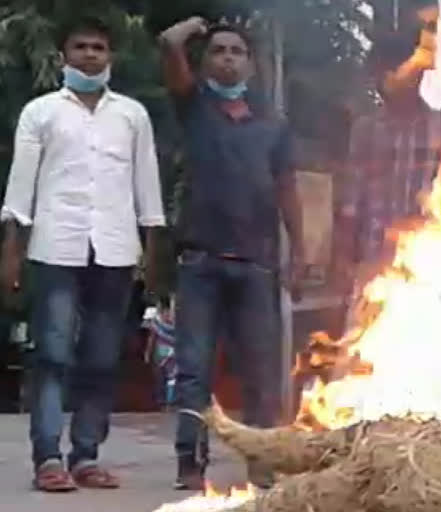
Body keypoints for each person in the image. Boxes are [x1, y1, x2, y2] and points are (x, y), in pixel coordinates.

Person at [0, 16, 165, 492]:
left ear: (110, 57)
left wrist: (153, 251)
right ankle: (48, 458)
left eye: (98, 47)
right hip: (55, 247)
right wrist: (11, 248)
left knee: (102, 357)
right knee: (51, 354)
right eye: (81, 46)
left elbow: (146, 186)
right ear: (64, 56)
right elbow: (20, 186)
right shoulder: (41, 112)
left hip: (114, 250)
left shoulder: (131, 115)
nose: (90, 55)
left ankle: (87, 456)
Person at [159, 16, 306, 490]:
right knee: (194, 369)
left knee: (261, 371)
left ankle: (260, 460)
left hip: (257, 263)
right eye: (218, 51)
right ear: (205, 63)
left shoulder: (273, 124)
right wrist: (190, 29)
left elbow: (288, 190)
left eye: (236, 52)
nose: (227, 58)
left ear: (251, 65)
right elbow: (168, 44)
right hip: (200, 261)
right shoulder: (194, 107)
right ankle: (190, 460)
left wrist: (300, 250)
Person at [334, 1, 441, 316]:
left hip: (426, 262)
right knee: (362, 349)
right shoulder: (365, 128)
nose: (389, 79)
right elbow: (351, 200)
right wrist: (344, 257)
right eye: (381, 72)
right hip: (374, 259)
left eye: (396, 68)